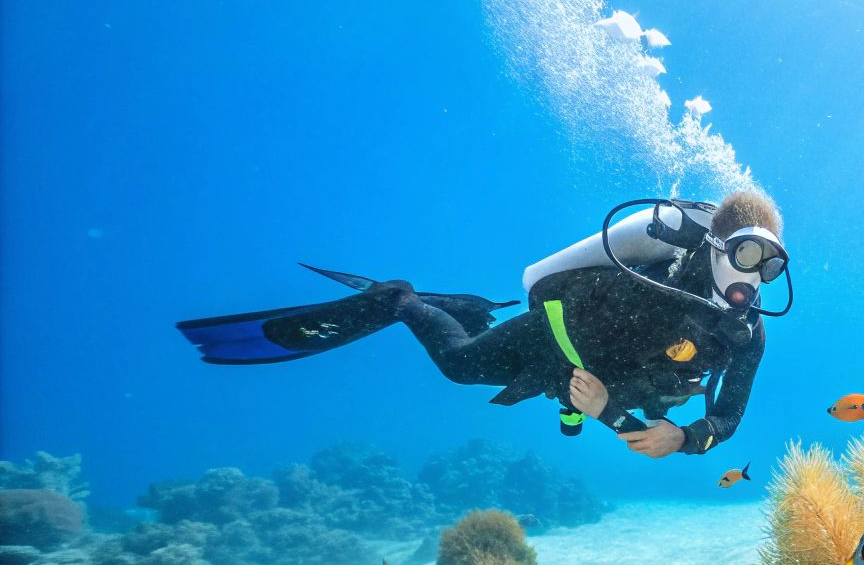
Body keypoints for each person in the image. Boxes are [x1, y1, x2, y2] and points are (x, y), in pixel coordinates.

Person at [176, 190, 789, 459]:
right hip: (561, 334)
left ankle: (464, 307)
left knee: (589, 402)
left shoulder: (748, 331)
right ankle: (400, 300)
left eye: (771, 265)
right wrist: (603, 406)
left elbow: (728, 417)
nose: (753, 280)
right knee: (459, 367)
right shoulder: (654, 273)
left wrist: (679, 438)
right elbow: (542, 285)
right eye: (745, 257)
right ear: (713, 244)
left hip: (612, 384)